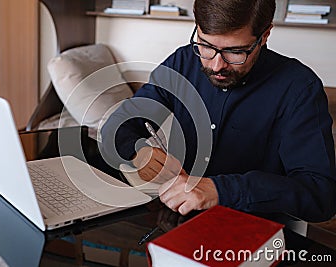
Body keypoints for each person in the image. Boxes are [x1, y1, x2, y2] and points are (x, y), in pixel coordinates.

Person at [100, 0, 336, 222]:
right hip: (177, 224)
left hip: (254, 238)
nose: (216, 65)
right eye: (205, 46)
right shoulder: (183, 62)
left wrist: (222, 190)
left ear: (264, 35)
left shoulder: (299, 87)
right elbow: (116, 125)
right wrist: (139, 152)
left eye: (235, 51)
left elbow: (320, 194)